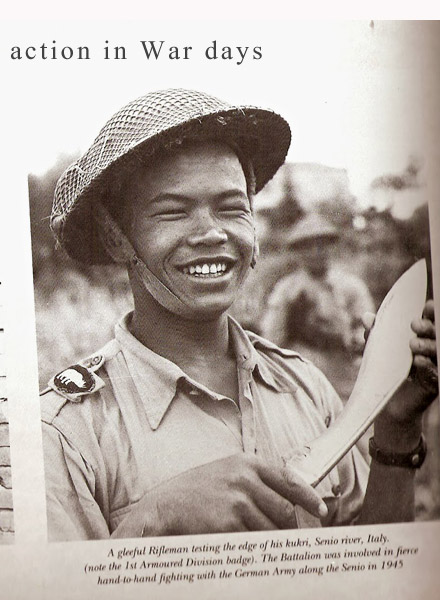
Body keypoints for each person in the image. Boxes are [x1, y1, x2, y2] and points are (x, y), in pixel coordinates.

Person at [41, 88, 437, 541]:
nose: (212, 232)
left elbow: (373, 569)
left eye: (232, 208)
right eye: (173, 212)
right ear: (116, 237)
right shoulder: (69, 430)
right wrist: (154, 518)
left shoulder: (305, 387)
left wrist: (396, 427)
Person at [261, 213, 376, 400]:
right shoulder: (287, 291)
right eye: (307, 246)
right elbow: (271, 339)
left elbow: (368, 332)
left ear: (331, 246)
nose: (316, 251)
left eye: (321, 244)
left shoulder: (350, 287)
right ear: (298, 251)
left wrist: (348, 338)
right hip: (301, 383)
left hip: (344, 380)